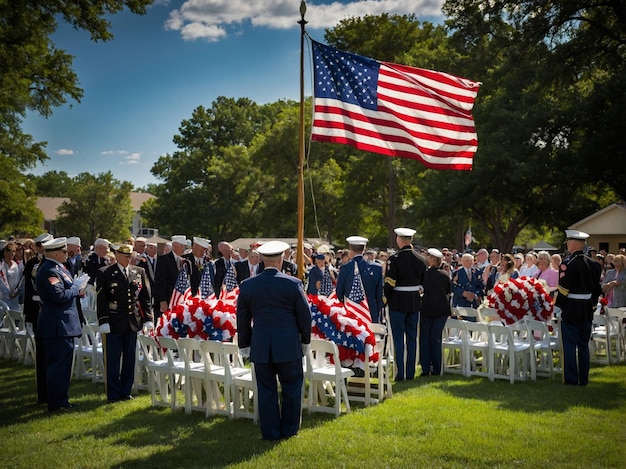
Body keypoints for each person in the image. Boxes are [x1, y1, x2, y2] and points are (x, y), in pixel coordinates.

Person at [236, 240, 311, 441]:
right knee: (292, 388)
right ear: (281, 259)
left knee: (266, 390)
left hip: (261, 344)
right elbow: (305, 317)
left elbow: (242, 319)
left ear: (261, 259)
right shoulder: (292, 283)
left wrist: (244, 345)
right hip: (288, 343)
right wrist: (305, 341)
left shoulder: (248, 285)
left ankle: (270, 432)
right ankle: (289, 430)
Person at [35, 237, 88, 411]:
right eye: (64, 252)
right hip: (57, 325)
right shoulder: (49, 270)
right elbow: (59, 296)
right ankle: (56, 403)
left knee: (63, 365)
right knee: (58, 365)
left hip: (64, 324)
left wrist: (74, 287)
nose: (67, 254)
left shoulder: (58, 268)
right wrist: (76, 288)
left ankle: (61, 400)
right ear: (56, 253)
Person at [96, 244, 153, 402]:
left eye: (130, 256)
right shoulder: (105, 273)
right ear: (117, 255)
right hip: (114, 321)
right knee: (113, 360)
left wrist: (148, 319)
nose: (129, 259)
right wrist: (104, 320)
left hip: (132, 322)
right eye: (125, 256)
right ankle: (113, 393)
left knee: (130, 359)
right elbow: (102, 300)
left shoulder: (138, 272)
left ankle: (125, 391)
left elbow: (145, 298)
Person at [555, 230, 602, 386]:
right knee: (583, 346)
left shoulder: (567, 264)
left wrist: (558, 309)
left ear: (573, 244)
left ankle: (571, 379)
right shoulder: (594, 264)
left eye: (568, 243)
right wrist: (593, 306)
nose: (568, 245)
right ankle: (584, 379)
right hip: (587, 309)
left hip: (571, 309)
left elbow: (563, 290)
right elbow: (596, 289)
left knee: (569, 345)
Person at [383, 228, 427, 381]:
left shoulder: (394, 259)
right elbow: (423, 283)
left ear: (399, 240)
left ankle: (400, 373)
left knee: (398, 339)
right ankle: (410, 373)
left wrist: (385, 298)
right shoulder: (421, 259)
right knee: (412, 338)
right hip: (414, 301)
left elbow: (389, 283)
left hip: (397, 301)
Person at [22, 232, 53, 403]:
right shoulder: (33, 264)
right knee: (42, 355)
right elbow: (29, 291)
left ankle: (53, 391)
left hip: (52, 314)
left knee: (53, 355)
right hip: (39, 313)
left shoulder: (55, 264)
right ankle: (43, 392)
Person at [336, 235, 384, 323]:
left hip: (351, 312)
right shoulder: (376, 268)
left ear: (350, 248)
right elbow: (379, 294)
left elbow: (339, 293)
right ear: (364, 249)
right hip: (371, 312)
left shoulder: (345, 268)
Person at [419, 248, 451, 376]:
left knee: (425, 338)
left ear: (433, 260)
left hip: (428, 309)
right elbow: (448, 291)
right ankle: (437, 368)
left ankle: (426, 368)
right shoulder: (445, 275)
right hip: (442, 310)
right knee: (436, 338)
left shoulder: (425, 275)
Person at [154, 235, 187, 318]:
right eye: (181, 247)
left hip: (181, 300)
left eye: (184, 247)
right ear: (174, 246)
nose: (183, 249)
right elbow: (160, 281)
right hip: (169, 298)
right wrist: (162, 301)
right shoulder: (163, 260)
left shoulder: (184, 261)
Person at [0, 241, 24, 310]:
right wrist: (8, 293)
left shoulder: (16, 265)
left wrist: (16, 292)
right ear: (4, 252)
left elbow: (20, 280)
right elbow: (1, 280)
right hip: (3, 297)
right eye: (9, 251)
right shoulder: (2, 265)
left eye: (13, 251)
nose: (12, 254)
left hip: (15, 297)